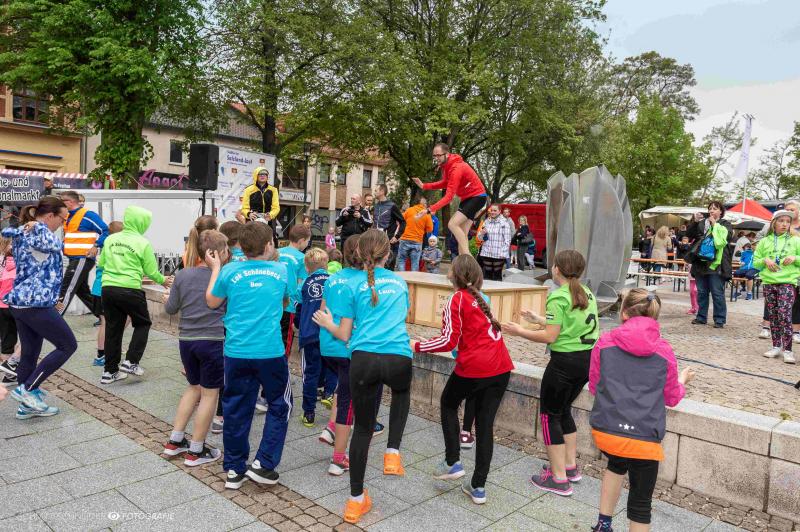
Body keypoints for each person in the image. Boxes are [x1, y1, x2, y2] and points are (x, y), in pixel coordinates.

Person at [313, 229, 413, 524]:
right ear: (388, 254)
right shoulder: (399, 282)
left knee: (363, 430)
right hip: (397, 356)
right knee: (401, 392)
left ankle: (355, 501)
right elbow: (403, 316)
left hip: (363, 359)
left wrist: (328, 324)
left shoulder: (354, 286)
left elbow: (345, 334)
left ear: (359, 253)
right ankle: (392, 451)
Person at [589, 289, 694, 532]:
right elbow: (672, 398)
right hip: (644, 437)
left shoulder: (604, 342)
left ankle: (603, 524)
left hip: (608, 430)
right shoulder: (664, 351)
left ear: (624, 313)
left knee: (616, 464)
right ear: (654, 316)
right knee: (641, 502)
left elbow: (595, 385)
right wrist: (682, 381)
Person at [413, 255, 514, 505]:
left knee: (448, 403)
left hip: (475, 367)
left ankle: (452, 461)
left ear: (453, 275)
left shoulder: (456, 299)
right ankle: (478, 486)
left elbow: (449, 340)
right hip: (501, 367)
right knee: (485, 425)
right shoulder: (480, 299)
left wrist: (418, 345)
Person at [501, 250, 599, 496]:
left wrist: (519, 331)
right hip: (585, 361)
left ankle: (558, 479)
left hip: (564, 363)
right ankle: (569, 466)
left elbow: (550, 336)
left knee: (549, 415)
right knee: (563, 410)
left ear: (557, 269)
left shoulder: (558, 296)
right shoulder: (586, 292)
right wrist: (540, 319)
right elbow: (570, 325)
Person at [205, 222, 292, 490]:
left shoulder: (229, 271)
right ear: (269, 245)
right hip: (270, 351)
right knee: (280, 404)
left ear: (241, 247)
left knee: (235, 408)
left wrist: (216, 268)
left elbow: (212, 302)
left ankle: (234, 469)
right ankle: (264, 463)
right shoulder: (281, 270)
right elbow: (287, 300)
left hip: (236, 351)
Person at [2, 197, 77, 418]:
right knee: (67, 345)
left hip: (21, 301)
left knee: (29, 353)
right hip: (35, 302)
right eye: (63, 219)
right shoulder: (39, 231)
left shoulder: (26, 231)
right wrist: (37, 226)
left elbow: (8, 233)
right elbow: (55, 246)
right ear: (51, 215)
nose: (63, 224)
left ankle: (27, 407)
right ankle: (27, 389)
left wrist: (32, 225)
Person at [162, 230, 227, 466]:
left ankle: (175, 440)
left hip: (187, 341)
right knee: (210, 394)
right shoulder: (223, 277)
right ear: (217, 253)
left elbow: (170, 309)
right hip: (212, 340)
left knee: (193, 388)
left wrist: (169, 299)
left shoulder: (183, 274)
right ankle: (196, 450)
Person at [98, 205, 172, 384]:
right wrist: (163, 280)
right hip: (130, 288)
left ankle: (110, 371)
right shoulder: (142, 242)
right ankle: (131, 361)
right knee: (143, 323)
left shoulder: (111, 239)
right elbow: (151, 271)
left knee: (113, 329)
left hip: (108, 288)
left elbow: (101, 263)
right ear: (142, 223)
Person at [317, 235, 361, 475]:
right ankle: (338, 459)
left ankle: (331, 427)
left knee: (342, 388)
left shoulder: (332, 278)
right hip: (347, 346)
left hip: (327, 345)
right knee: (348, 402)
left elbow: (322, 310)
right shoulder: (364, 281)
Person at [412, 143, 487, 256]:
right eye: (434, 155)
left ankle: (468, 258)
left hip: (477, 197)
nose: (436, 158)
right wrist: (424, 186)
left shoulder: (456, 168)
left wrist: (429, 209)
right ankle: (464, 262)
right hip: (467, 198)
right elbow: (445, 183)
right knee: (462, 234)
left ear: (446, 154)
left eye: (438, 155)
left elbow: (449, 197)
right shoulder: (447, 166)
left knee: (452, 224)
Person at [755, 210, 800, 364]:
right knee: (773, 316)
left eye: (788, 221)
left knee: (784, 314)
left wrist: (795, 257)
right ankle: (776, 346)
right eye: (781, 221)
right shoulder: (764, 241)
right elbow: (755, 263)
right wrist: (765, 260)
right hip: (769, 282)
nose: (785, 224)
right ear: (774, 223)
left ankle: (788, 350)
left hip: (788, 282)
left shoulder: (795, 240)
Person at [298, 248, 335, 426]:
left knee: (310, 373)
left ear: (307, 267)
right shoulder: (334, 281)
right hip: (329, 332)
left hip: (310, 333)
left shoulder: (304, 283)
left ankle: (309, 413)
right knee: (332, 367)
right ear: (326, 265)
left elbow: (297, 305)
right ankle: (329, 393)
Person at [56, 190, 108, 318]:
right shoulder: (67, 216)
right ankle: (106, 317)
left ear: (71, 202)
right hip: (74, 258)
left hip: (82, 258)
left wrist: (96, 245)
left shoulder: (88, 215)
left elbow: (106, 231)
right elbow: (71, 237)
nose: (60, 204)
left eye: (62, 201)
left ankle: (54, 319)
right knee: (81, 291)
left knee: (67, 288)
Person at [686, 201, 733, 328]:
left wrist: (715, 225)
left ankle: (719, 319)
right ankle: (701, 317)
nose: (711, 211)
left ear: (721, 212)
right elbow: (689, 234)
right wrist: (695, 222)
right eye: (710, 208)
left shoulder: (725, 224)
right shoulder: (702, 223)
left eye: (715, 208)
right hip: (701, 262)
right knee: (701, 292)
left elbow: (727, 238)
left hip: (716, 264)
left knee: (717, 293)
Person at [90, 221, 123, 368]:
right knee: (106, 323)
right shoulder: (112, 248)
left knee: (114, 321)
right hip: (103, 289)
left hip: (99, 290)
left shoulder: (106, 246)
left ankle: (109, 346)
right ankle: (101, 354)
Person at [276, 224, 311, 358]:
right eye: (307, 241)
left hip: (273, 301)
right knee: (286, 338)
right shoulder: (302, 258)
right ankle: (284, 365)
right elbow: (300, 284)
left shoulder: (276, 252)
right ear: (302, 240)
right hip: (290, 304)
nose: (307, 244)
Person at [241, 167, 280, 245]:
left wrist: (270, 215)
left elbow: (276, 208)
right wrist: (249, 214)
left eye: (265, 174)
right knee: (251, 243)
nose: (262, 176)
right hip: (252, 221)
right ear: (256, 175)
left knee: (270, 242)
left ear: (267, 176)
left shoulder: (273, 190)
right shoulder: (248, 190)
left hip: (268, 220)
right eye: (260, 174)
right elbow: (244, 208)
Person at [372, 184, 405, 270]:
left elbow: (403, 222)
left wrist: (397, 236)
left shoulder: (392, 206)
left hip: (388, 240)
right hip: (376, 240)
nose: (374, 192)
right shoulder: (376, 206)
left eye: (376, 190)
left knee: (388, 265)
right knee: (376, 265)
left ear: (382, 192)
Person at [0, 237, 20, 384]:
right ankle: (15, 364)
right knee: (27, 337)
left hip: (2, 305)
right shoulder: (22, 264)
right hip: (17, 306)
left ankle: (9, 376)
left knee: (7, 340)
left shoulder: (2, 262)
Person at [396, 197, 433, 272]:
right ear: (424, 204)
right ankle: (413, 279)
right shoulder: (427, 214)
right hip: (417, 241)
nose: (426, 205)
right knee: (415, 263)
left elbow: (401, 220)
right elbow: (430, 229)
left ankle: (402, 277)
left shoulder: (409, 210)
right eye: (426, 203)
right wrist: (422, 229)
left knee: (401, 260)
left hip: (405, 239)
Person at [478, 205, 511, 281]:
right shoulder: (486, 222)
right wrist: (482, 233)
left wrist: (503, 253)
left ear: (499, 211)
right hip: (486, 253)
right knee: (487, 276)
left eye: (495, 210)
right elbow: (480, 238)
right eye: (491, 210)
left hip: (498, 254)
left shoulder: (504, 223)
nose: (492, 212)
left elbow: (507, 241)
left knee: (497, 276)